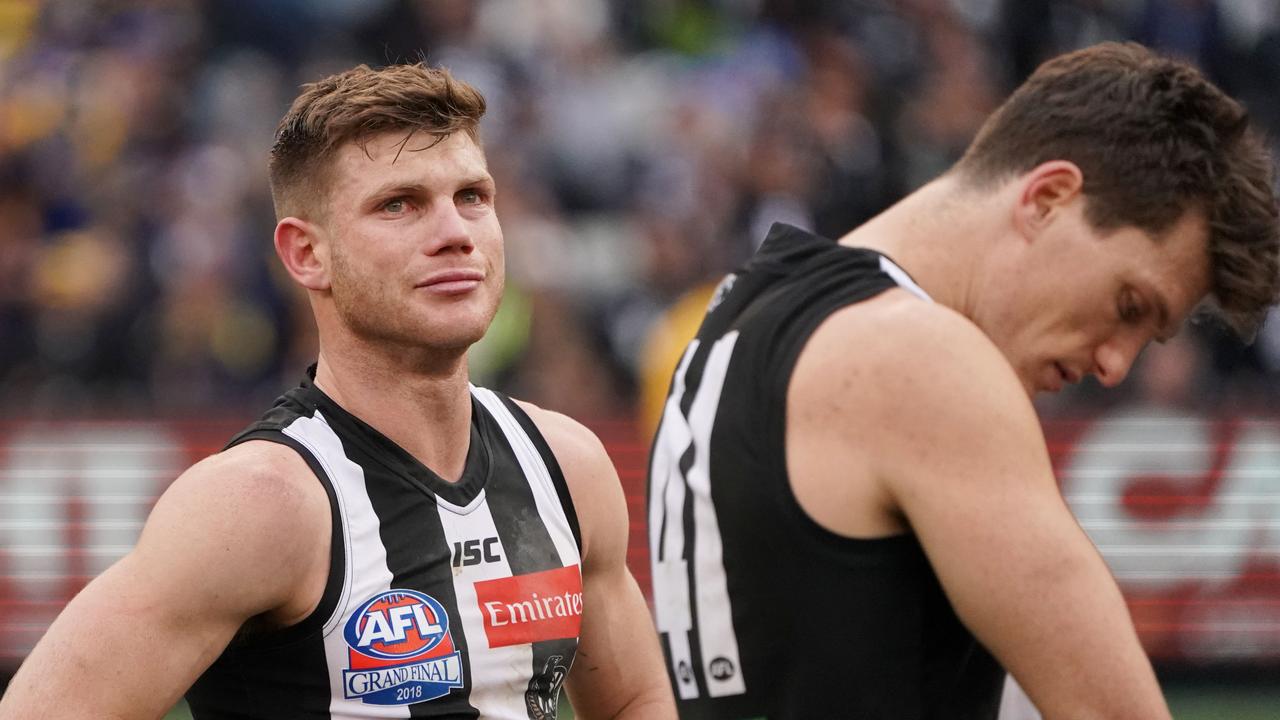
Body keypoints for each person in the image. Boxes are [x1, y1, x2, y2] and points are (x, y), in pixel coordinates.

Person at [0, 63, 675, 719]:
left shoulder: (566, 466)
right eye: (399, 204)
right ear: (305, 254)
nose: (455, 234)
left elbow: (635, 702)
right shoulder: (260, 505)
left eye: (472, 196)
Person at [647, 42, 1279, 720]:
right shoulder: (918, 361)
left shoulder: (739, 317)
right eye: (1128, 307)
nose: (1115, 363)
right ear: (1048, 197)